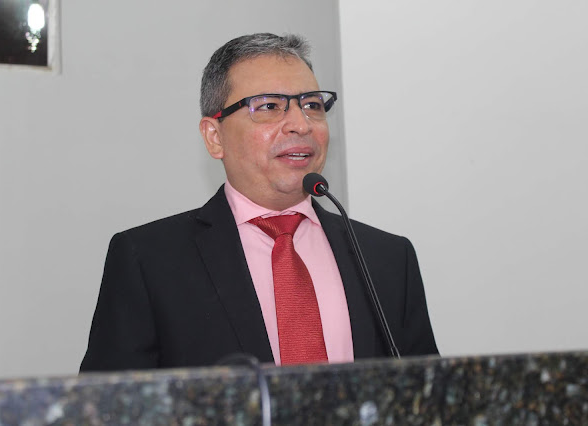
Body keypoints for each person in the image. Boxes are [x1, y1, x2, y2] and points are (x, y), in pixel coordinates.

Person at [80, 33, 438, 372]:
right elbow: (107, 404)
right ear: (214, 136)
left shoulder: (387, 258)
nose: (301, 124)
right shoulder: (149, 261)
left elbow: (430, 397)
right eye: (269, 106)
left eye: (312, 105)